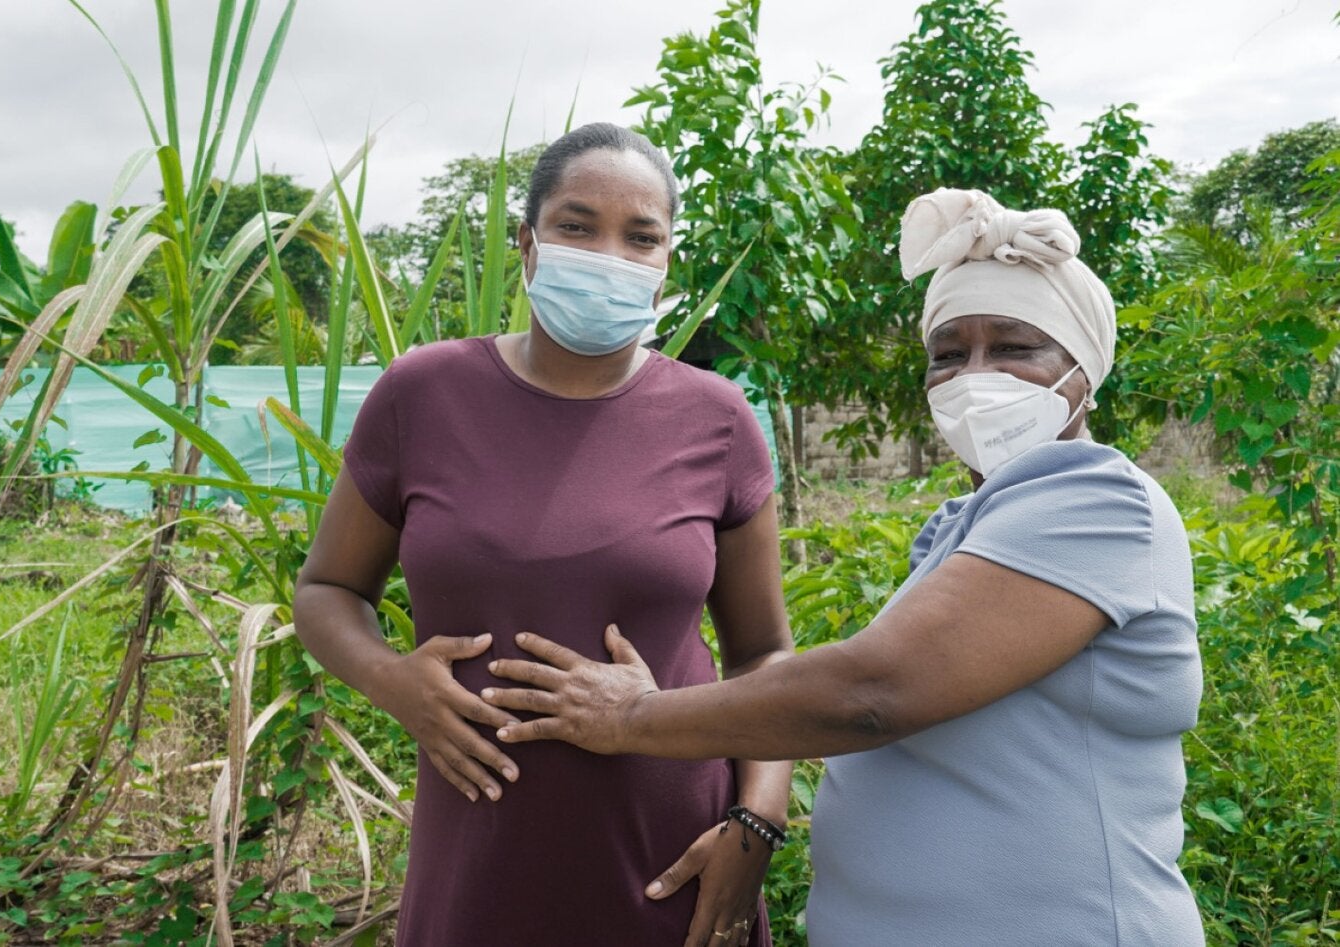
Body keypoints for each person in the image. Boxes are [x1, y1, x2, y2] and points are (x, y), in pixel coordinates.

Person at [484, 188, 1206, 945]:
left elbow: (871, 690)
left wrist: (631, 716)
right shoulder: (967, 526)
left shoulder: (1094, 499)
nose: (974, 374)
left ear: (1082, 370)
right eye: (949, 353)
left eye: (1016, 347)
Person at [293, 122, 793, 946]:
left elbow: (763, 656)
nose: (608, 255)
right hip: (479, 861)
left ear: (669, 261)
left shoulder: (718, 418)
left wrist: (757, 824)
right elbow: (327, 590)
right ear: (527, 242)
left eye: (641, 237)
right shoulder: (424, 393)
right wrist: (394, 680)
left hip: (675, 862)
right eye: (576, 225)